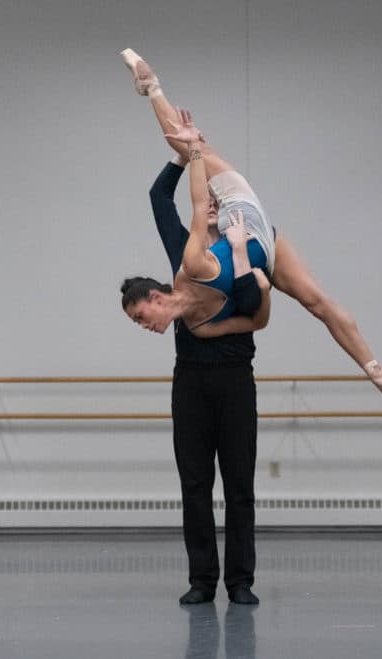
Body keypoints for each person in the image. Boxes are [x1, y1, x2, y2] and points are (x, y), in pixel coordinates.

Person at [119, 48, 382, 412]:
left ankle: (152, 87)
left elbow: (196, 205)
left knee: (184, 141)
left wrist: (193, 153)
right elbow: (258, 321)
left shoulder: (192, 266)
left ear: (156, 299)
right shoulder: (198, 325)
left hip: (242, 213)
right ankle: (378, 374)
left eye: (140, 317)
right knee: (316, 302)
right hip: (262, 242)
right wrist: (251, 272)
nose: (142, 326)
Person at [131, 152, 264, 605]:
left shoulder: (240, 247)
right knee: (195, 484)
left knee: (240, 482)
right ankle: (202, 581)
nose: (207, 211)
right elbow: (157, 197)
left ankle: (241, 581)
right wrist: (178, 157)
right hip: (190, 383)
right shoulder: (182, 256)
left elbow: (257, 310)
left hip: (235, 378)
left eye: (140, 317)